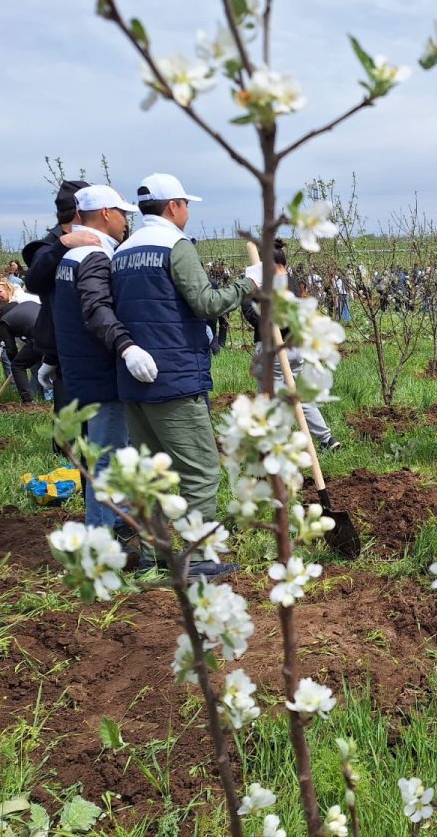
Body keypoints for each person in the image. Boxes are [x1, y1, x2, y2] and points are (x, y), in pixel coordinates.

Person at [111, 173, 260, 576]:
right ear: (173, 206)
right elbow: (207, 302)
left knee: (151, 472)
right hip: (174, 376)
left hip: (132, 378)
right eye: (186, 204)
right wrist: (249, 284)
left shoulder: (123, 252)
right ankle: (199, 558)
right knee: (200, 470)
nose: (188, 212)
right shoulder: (174, 246)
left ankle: (152, 556)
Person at [54, 185, 156, 543]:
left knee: (106, 457)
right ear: (107, 214)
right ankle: (103, 540)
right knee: (110, 461)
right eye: (123, 213)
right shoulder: (95, 256)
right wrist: (127, 347)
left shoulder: (71, 256)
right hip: (101, 374)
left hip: (81, 371)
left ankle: (115, 531)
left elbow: (64, 314)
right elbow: (96, 310)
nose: (126, 220)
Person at [243, 239, 341, 450]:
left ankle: (276, 446)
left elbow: (250, 313)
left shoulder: (263, 284)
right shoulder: (292, 282)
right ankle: (327, 439)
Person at [22, 179, 93, 409]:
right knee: (70, 419)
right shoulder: (48, 248)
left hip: (94, 340)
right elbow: (34, 279)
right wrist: (64, 244)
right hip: (64, 346)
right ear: (81, 213)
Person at [0, 280, 42, 403]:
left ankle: (28, 401)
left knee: (18, 366)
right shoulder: (27, 303)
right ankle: (51, 399)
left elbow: (11, 349)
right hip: (54, 332)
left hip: (38, 337)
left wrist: (15, 363)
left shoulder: (5, 321)